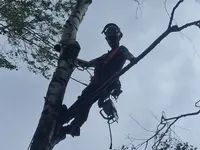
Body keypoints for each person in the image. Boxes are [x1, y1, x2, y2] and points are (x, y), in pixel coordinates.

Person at [56, 23, 136, 141]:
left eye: (112, 38)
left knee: (85, 101)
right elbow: (87, 64)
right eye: (108, 39)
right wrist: (66, 55)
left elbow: (128, 56)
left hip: (107, 84)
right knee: (83, 101)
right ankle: (70, 124)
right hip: (95, 84)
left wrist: (133, 59)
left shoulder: (121, 50)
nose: (110, 41)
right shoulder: (104, 57)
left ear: (118, 37)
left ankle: (71, 124)